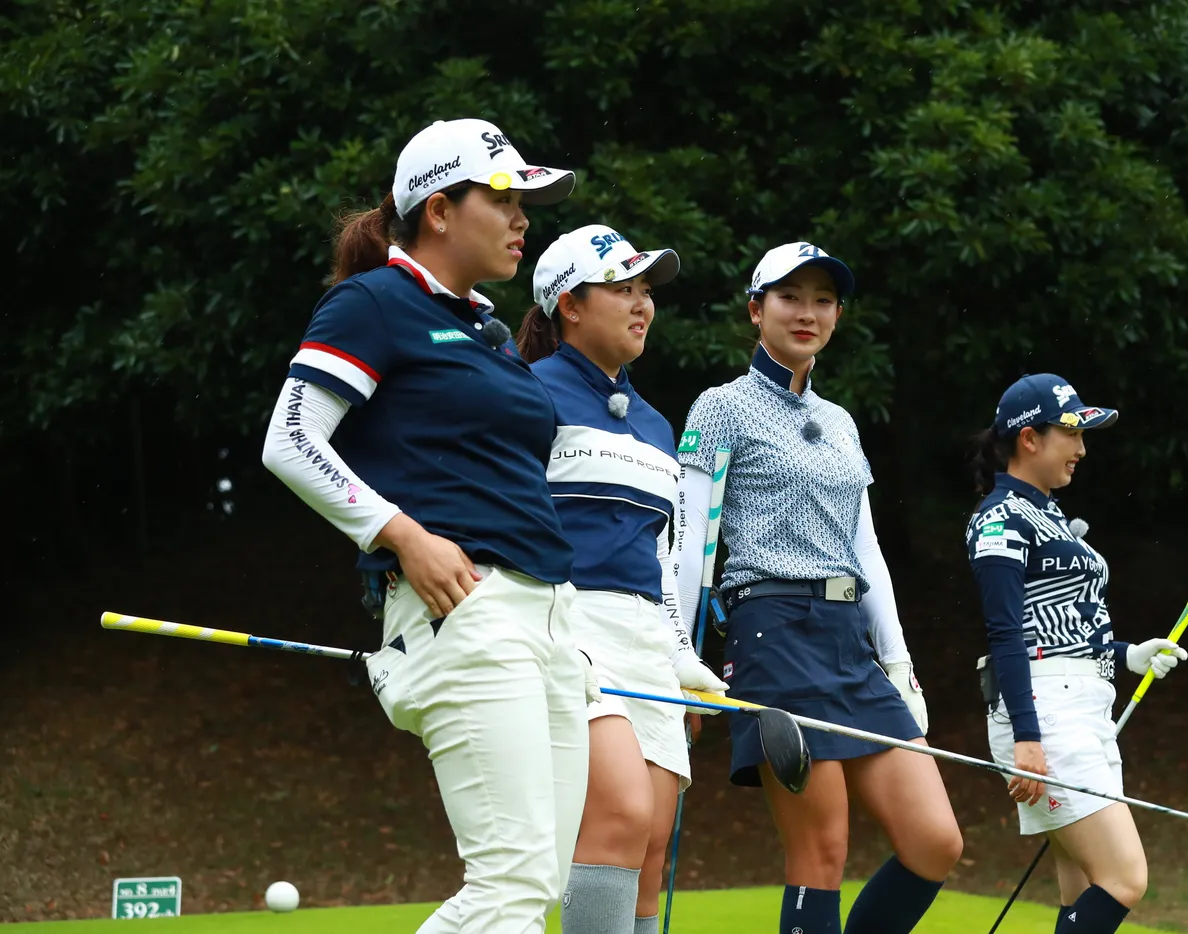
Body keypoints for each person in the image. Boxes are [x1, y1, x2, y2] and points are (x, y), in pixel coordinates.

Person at [261, 118, 598, 934]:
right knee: (510, 885)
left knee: (537, 886)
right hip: (467, 612)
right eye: (503, 198)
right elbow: (291, 440)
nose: (521, 218)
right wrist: (401, 534)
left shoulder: (487, 331)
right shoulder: (374, 303)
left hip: (550, 617)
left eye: (524, 203)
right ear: (440, 211)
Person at [672, 242, 963, 934]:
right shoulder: (720, 407)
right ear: (756, 309)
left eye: (823, 300)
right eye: (789, 297)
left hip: (848, 641)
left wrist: (899, 661)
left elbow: (867, 550)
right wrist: (677, 655)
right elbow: (690, 541)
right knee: (821, 852)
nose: (807, 313)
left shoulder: (840, 422)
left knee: (935, 842)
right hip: (773, 632)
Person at [515, 224, 730, 934]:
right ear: (570, 305)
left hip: (645, 642)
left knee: (653, 845)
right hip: (568, 626)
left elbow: (660, 562)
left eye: (646, 290)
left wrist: (681, 658)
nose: (642, 304)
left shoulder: (657, 426)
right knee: (619, 817)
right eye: (621, 288)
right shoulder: (527, 394)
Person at [964, 374, 1188, 934]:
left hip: (1083, 708)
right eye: (1071, 434)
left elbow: (1064, 626)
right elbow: (1007, 634)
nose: (1082, 449)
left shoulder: (1051, 515)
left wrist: (1129, 655)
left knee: (1083, 889)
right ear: (1029, 439)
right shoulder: (999, 518)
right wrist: (1028, 737)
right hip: (1045, 714)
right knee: (1125, 877)